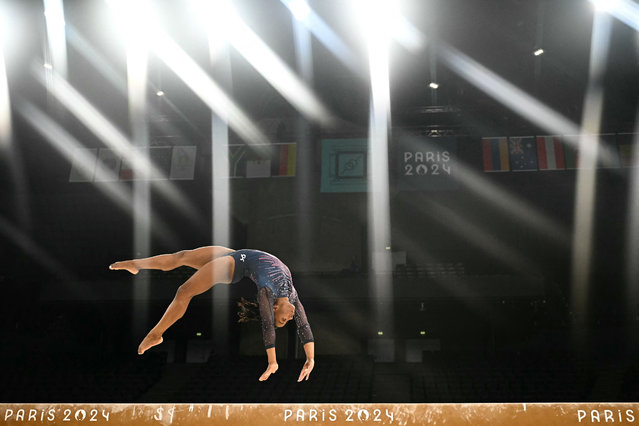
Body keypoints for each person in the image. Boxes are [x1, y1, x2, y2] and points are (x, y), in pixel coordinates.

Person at [109, 246, 314, 382]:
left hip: (234, 266)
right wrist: (310, 358)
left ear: (273, 308)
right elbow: (303, 326)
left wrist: (272, 362)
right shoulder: (292, 295)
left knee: (184, 290)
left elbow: (268, 325)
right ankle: (135, 264)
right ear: (276, 308)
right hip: (239, 254)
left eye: (284, 320)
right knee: (181, 256)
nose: (289, 318)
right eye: (286, 320)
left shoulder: (266, 292)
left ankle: (156, 334)